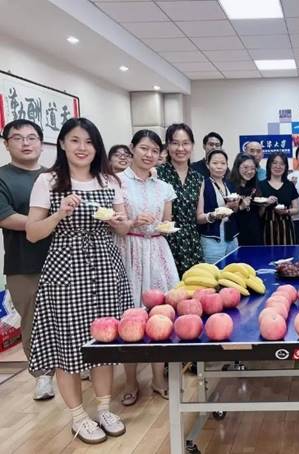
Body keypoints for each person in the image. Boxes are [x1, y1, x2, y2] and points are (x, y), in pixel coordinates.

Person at [26, 117, 132, 444]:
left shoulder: (109, 180)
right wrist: (59, 214)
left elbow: (124, 228)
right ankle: (77, 416)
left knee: (104, 342)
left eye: (89, 142)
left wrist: (119, 221)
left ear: (97, 147)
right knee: (68, 345)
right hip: (66, 270)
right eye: (75, 140)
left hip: (106, 267)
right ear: (62, 143)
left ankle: (104, 409)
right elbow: (32, 233)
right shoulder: (48, 180)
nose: (82, 147)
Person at [116, 129, 180, 405]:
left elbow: (167, 222)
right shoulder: (116, 182)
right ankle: (130, 381)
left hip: (157, 250)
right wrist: (133, 222)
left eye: (155, 150)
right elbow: (114, 223)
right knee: (129, 314)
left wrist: (162, 227)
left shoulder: (163, 186)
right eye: (144, 148)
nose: (149, 154)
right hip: (128, 249)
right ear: (132, 148)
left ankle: (157, 377)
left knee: (160, 314)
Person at [0, 119, 54, 401]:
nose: (26, 143)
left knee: (70, 314)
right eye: (18, 138)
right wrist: (50, 222)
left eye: (32, 137)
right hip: (23, 263)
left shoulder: (54, 176)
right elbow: (6, 217)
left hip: (62, 259)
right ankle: (42, 375)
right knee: (33, 319)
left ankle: (76, 366)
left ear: (41, 144)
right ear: (6, 144)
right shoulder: (3, 177)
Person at [156, 124, 203, 277]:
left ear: (192, 145)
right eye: (175, 143)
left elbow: (198, 216)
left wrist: (212, 216)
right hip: (165, 241)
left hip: (192, 242)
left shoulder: (198, 178)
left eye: (185, 143)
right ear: (167, 146)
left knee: (195, 285)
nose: (180, 148)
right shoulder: (157, 174)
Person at [196, 149, 240, 264]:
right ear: (207, 165)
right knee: (214, 271)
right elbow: (199, 218)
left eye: (223, 163)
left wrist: (236, 205)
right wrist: (220, 211)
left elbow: (234, 211)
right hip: (212, 238)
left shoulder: (229, 184)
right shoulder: (203, 184)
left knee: (233, 270)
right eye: (215, 163)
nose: (219, 166)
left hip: (231, 236)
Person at [260, 152, 299, 245]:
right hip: (267, 228)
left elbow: (297, 209)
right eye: (274, 163)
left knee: (288, 253)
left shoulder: (290, 185)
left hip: (286, 228)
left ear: (285, 167)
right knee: (268, 253)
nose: (278, 166)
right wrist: (265, 205)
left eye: (282, 163)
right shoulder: (261, 185)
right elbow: (259, 214)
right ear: (269, 165)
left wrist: (286, 211)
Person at [229, 154, 263, 246]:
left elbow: (258, 214)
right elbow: (225, 213)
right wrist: (240, 207)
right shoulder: (229, 186)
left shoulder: (255, 186)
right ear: (237, 167)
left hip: (255, 233)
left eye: (253, 168)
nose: (249, 171)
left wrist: (264, 206)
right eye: (245, 167)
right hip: (236, 234)